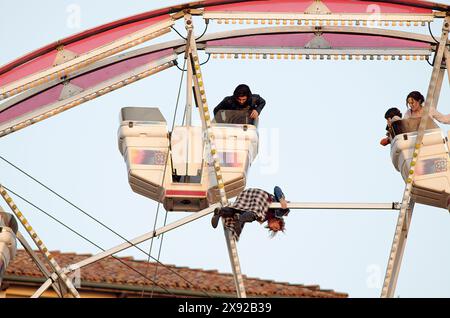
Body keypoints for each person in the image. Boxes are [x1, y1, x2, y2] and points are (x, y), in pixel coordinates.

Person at [211, 186, 290, 239]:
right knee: (254, 215)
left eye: (273, 229)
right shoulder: (281, 212)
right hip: (262, 197)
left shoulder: (264, 218)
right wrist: (281, 199)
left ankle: (219, 212)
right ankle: (240, 219)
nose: (272, 228)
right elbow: (276, 188)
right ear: (279, 221)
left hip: (248, 195)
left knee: (236, 210)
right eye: (276, 227)